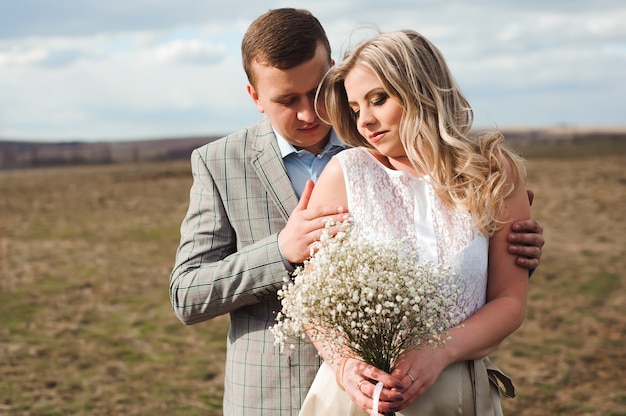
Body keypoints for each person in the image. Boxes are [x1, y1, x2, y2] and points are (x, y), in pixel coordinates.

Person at [169, 9, 544, 416]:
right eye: (286, 100)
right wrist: (281, 250)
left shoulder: (379, 146)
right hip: (282, 398)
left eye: (316, 94)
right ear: (255, 97)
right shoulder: (220, 163)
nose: (309, 114)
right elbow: (187, 293)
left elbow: (475, 276)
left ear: (332, 72)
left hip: (437, 389)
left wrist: (507, 246)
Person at [298, 29, 532, 415]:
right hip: (357, 400)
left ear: (422, 89)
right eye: (356, 108)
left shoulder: (493, 172)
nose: (365, 121)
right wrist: (345, 366)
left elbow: (510, 302)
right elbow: (314, 304)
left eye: (379, 99)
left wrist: (440, 352)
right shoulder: (345, 174)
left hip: (455, 396)